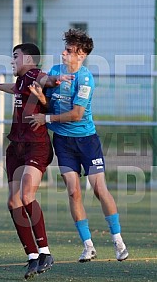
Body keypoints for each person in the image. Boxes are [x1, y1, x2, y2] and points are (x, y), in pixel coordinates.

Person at [26, 29, 129, 262]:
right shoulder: (54, 72)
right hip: (63, 142)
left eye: (70, 51)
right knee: (73, 191)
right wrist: (40, 97)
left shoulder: (85, 79)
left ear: (81, 55)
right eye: (66, 48)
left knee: (99, 189)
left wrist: (47, 119)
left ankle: (118, 241)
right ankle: (88, 245)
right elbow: (47, 104)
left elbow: (77, 114)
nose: (64, 53)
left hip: (86, 141)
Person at [0, 43, 67, 279]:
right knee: (14, 202)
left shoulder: (34, 75)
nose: (12, 60)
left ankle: (45, 252)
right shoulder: (22, 80)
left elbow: (45, 79)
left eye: (15, 56)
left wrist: (55, 80)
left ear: (27, 58)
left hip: (36, 146)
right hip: (16, 147)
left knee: (27, 195)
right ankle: (32, 256)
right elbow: (14, 88)